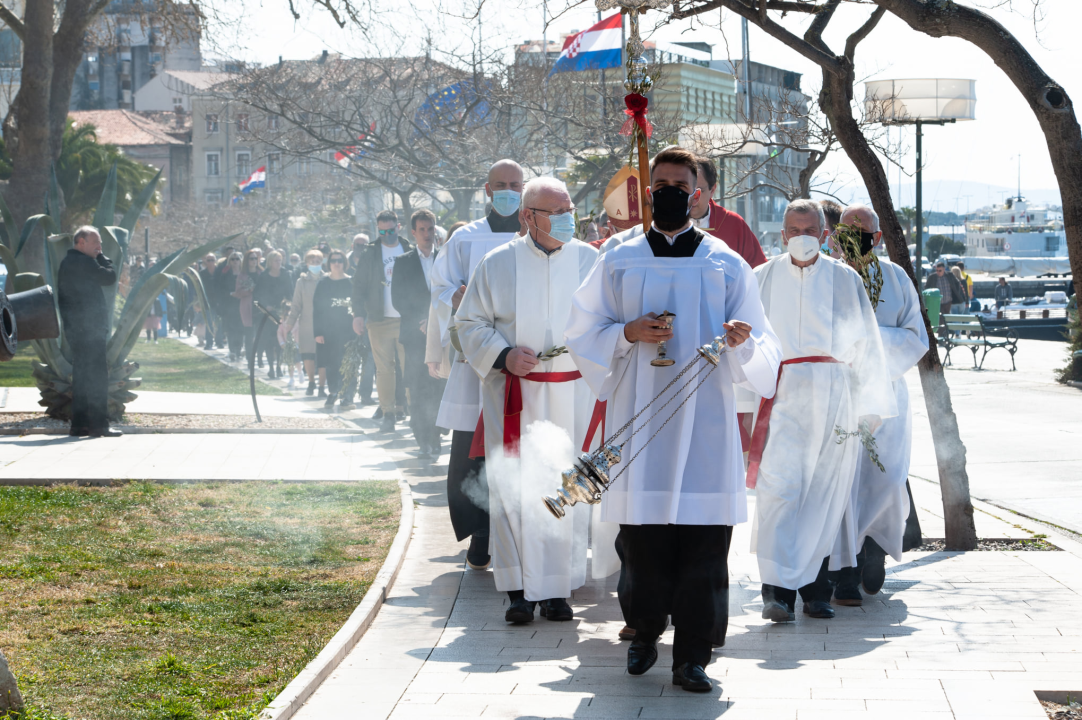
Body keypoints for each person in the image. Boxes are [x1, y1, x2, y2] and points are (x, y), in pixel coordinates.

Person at [565, 147, 781, 693]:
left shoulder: (725, 262)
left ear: (698, 194)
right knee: (643, 543)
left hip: (706, 423)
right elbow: (582, 329)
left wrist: (742, 341)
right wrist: (626, 333)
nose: (666, 192)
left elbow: (763, 344)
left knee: (704, 546)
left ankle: (692, 655)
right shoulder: (618, 257)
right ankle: (643, 634)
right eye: (658, 183)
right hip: (641, 419)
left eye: (677, 184)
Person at [745, 198, 896, 624]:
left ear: (825, 235)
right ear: (782, 235)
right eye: (794, 230)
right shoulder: (761, 277)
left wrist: (870, 404)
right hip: (781, 392)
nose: (802, 238)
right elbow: (747, 341)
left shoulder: (845, 278)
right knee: (779, 491)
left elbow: (867, 342)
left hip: (834, 395)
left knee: (824, 494)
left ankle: (816, 591)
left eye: (811, 230)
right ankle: (775, 591)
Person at [457, 176, 600, 624]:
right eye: (554, 212)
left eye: (568, 209)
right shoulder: (497, 263)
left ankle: (558, 590)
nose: (565, 219)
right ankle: (518, 588)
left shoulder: (592, 261)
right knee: (516, 486)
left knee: (565, 486)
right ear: (526, 217)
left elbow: (609, 320)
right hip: (515, 394)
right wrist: (502, 353)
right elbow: (468, 323)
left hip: (572, 394)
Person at [828, 204, 929, 606]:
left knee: (885, 480)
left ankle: (875, 550)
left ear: (878, 237)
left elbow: (915, 336)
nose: (855, 236)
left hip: (886, 396)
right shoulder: (826, 276)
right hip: (838, 395)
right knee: (843, 486)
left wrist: (868, 345)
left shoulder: (896, 277)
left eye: (863, 230)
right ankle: (846, 571)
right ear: (835, 235)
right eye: (847, 230)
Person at [428, 159, 524, 570]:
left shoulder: (533, 236)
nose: (507, 191)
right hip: (478, 359)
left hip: (524, 359)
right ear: (487, 189)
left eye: (514, 185)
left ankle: (519, 529)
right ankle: (481, 531)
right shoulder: (466, 239)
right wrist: (456, 298)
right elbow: (441, 286)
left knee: (517, 445)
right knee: (474, 448)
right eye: (499, 184)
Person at [58, 226, 121, 438]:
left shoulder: (67, 263)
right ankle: (99, 426)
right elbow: (110, 277)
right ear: (80, 242)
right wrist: (103, 258)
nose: (99, 247)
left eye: (101, 244)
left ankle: (79, 425)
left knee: (82, 377)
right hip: (90, 330)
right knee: (97, 377)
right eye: (96, 243)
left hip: (75, 331)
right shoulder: (84, 262)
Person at [352, 210, 411, 431]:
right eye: (382, 231)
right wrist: (358, 314)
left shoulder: (408, 248)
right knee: (384, 369)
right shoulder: (370, 253)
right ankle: (388, 413)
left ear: (399, 226)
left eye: (391, 230)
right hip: (378, 319)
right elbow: (358, 286)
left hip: (406, 319)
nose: (387, 235)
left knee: (410, 367)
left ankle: (413, 412)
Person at [391, 209, 444, 459]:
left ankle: (436, 436)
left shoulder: (445, 258)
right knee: (418, 386)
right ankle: (422, 439)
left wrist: (436, 320)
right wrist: (422, 321)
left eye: (430, 228)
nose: (427, 234)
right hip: (414, 336)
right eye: (421, 230)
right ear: (413, 232)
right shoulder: (403, 262)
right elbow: (399, 299)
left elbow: (451, 292)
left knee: (438, 387)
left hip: (441, 335)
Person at [690, 156, 768, 268]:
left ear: (712, 190)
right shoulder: (667, 225)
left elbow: (758, 270)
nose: (692, 197)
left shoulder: (733, 224)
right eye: (686, 189)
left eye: (698, 191)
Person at [313, 249, 359, 410]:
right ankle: (333, 392)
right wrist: (317, 332)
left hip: (349, 330)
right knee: (332, 363)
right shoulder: (323, 283)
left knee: (350, 362)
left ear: (344, 263)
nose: (337, 263)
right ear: (329, 263)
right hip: (328, 331)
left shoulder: (351, 282)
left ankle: (347, 396)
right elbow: (316, 309)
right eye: (333, 261)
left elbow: (359, 305)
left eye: (340, 260)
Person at [282, 249, 327, 397]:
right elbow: (296, 305)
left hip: (324, 324)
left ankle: (321, 386)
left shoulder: (327, 279)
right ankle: (311, 383)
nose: (315, 264)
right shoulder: (301, 282)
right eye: (312, 262)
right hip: (307, 324)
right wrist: (289, 323)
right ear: (307, 263)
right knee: (308, 355)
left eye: (318, 262)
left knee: (322, 357)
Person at [254, 250, 293, 379]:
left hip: (282, 313)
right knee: (269, 341)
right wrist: (266, 306)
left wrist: (287, 305)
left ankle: (278, 366)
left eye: (280, 260)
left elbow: (290, 292)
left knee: (280, 341)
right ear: (270, 262)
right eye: (276, 260)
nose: (278, 263)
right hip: (267, 314)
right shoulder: (263, 276)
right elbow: (257, 295)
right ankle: (271, 367)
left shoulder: (286, 274)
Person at [234, 249, 261, 364]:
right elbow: (238, 292)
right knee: (249, 332)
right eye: (251, 259)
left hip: (260, 305)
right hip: (247, 305)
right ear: (247, 260)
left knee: (260, 332)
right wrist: (249, 290)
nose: (254, 261)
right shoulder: (242, 275)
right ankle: (250, 357)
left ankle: (259, 357)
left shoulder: (261, 272)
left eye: (256, 258)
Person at [221, 252, 245, 362]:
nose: (235, 261)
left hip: (242, 303)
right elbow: (221, 288)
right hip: (229, 304)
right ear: (229, 261)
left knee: (240, 328)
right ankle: (232, 350)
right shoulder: (226, 273)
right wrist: (231, 294)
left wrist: (243, 293)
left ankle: (239, 349)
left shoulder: (245, 273)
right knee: (231, 329)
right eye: (233, 259)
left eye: (237, 259)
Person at [198, 253, 219, 350]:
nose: (210, 262)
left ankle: (219, 342)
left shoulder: (220, 272)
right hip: (207, 302)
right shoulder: (202, 274)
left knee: (219, 323)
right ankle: (209, 343)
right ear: (205, 261)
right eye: (208, 260)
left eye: (212, 260)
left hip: (219, 301)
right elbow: (199, 289)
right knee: (209, 323)